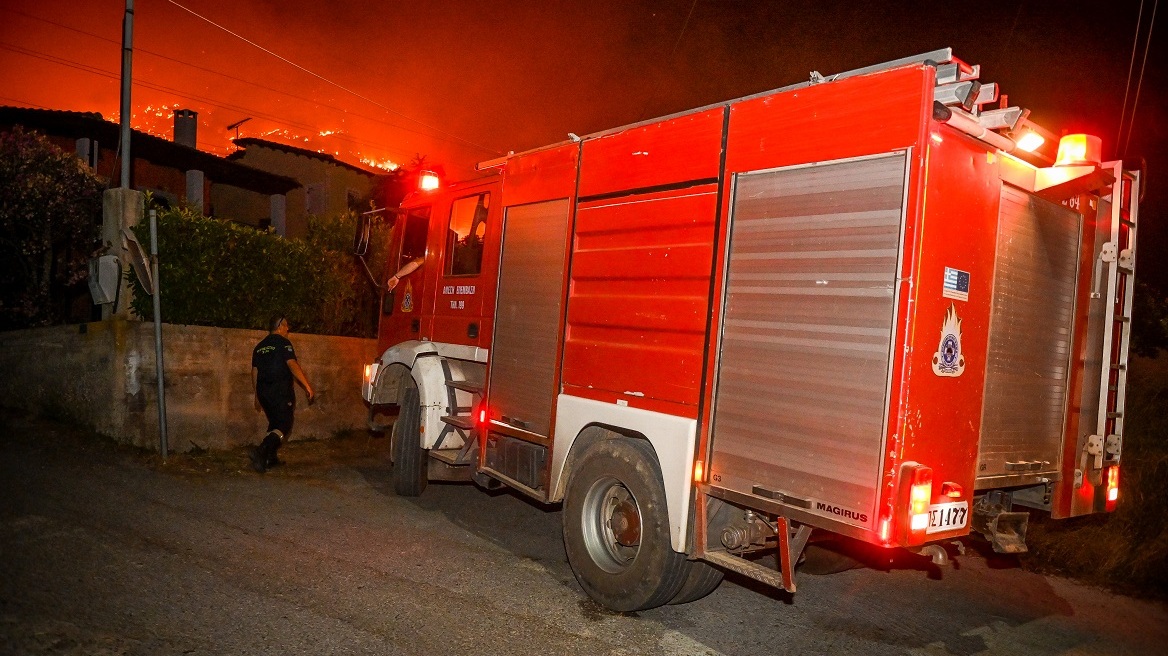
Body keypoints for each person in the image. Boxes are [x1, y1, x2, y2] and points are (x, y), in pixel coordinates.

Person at [250, 315, 314, 473]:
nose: (288, 328)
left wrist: (257, 395)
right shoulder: (284, 343)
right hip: (280, 390)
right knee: (284, 424)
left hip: (264, 391)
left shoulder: (259, 347)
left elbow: (254, 372)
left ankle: (270, 459)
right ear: (279, 325)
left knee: (274, 423)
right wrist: (307, 386)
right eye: (285, 325)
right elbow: (292, 364)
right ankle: (262, 450)